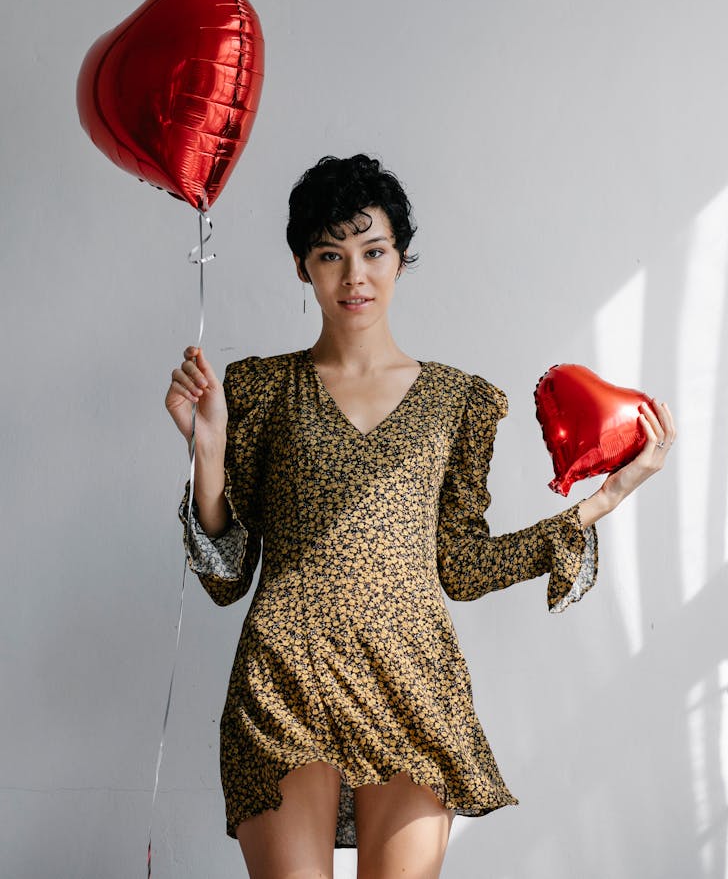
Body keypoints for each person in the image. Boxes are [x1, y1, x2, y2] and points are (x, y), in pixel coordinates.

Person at [164, 154, 676, 879]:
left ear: (402, 258)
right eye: (330, 255)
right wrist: (208, 451)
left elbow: (461, 567)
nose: (355, 277)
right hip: (284, 675)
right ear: (303, 267)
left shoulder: (455, 402)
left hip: (413, 678)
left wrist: (606, 498)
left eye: (373, 251)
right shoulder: (259, 389)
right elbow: (225, 576)